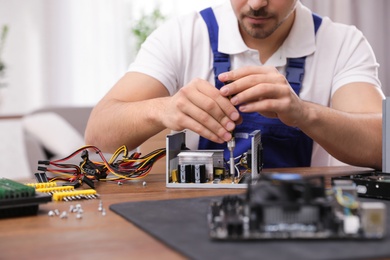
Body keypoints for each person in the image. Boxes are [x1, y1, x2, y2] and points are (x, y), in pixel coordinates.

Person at [85, 0, 384, 170]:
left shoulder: (344, 42)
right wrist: (164, 109)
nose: (256, 4)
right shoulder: (183, 35)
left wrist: (304, 114)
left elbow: (380, 147)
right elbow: (98, 135)